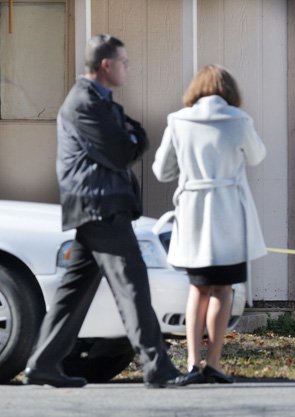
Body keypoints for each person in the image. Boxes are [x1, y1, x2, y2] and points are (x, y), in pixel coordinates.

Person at [24, 34, 181, 388]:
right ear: (106, 65)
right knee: (133, 286)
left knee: (73, 292)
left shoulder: (102, 101)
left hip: (97, 205)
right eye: (124, 62)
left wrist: (130, 134)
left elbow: (135, 134)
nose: (128, 68)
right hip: (100, 205)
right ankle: (157, 366)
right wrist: (129, 136)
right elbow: (122, 150)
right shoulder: (84, 102)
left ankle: (42, 364)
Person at [153, 64, 267, 385]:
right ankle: (214, 363)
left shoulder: (178, 121)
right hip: (229, 211)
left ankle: (192, 363)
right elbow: (257, 156)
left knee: (197, 287)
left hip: (194, 212)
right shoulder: (239, 120)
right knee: (223, 288)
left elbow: (162, 170)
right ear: (229, 91)